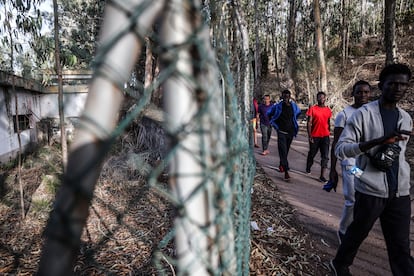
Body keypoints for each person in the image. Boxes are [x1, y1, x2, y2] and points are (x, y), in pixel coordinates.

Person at [330, 63, 414, 276]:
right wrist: (376, 142)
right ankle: (340, 263)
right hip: (365, 184)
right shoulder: (357, 115)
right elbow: (340, 149)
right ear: (382, 85)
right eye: (392, 83)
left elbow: (400, 154)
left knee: (401, 246)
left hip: (400, 193)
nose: (398, 88)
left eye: (403, 84)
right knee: (357, 228)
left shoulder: (406, 118)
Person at [326, 80, 371, 244]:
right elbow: (336, 144)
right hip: (351, 164)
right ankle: (344, 231)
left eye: (366, 92)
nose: (363, 95)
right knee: (352, 198)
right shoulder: (344, 115)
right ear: (353, 94)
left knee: (366, 198)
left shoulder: (374, 112)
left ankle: (356, 228)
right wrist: (332, 170)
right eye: (359, 92)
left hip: (368, 164)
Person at [267, 89, 301, 181]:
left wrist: (293, 122)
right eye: (284, 96)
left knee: (286, 151)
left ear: (290, 97)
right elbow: (269, 113)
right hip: (281, 132)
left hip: (290, 132)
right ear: (282, 96)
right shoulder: (277, 106)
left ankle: (282, 164)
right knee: (283, 151)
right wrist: (273, 122)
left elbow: (298, 113)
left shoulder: (293, 106)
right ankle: (286, 172)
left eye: (287, 96)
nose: (286, 97)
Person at [305, 91, 332, 182]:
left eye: (323, 97)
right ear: (317, 99)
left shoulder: (328, 110)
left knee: (325, 156)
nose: (321, 99)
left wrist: (329, 132)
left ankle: (322, 176)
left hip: (325, 136)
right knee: (312, 154)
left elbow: (328, 122)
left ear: (325, 99)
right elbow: (309, 123)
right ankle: (308, 167)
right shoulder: (313, 109)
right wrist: (310, 136)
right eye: (319, 98)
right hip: (315, 136)